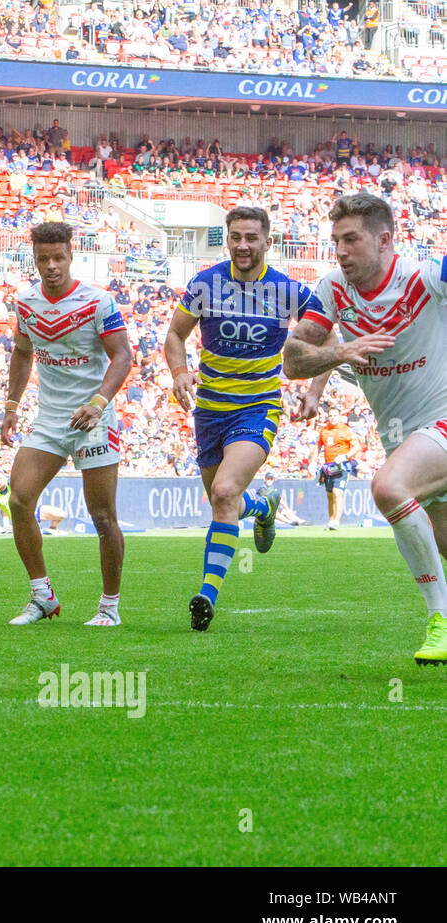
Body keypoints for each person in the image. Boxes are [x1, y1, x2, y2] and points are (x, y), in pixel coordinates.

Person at [282, 193, 447, 664]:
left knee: (389, 487)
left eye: (351, 239)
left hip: (442, 419)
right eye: (335, 241)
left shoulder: (427, 279)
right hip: (403, 434)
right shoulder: (334, 290)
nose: (340, 250)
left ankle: (440, 620)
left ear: (385, 239)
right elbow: (293, 359)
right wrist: (337, 353)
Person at [165, 206, 330, 632]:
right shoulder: (205, 284)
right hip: (209, 411)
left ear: (267, 242)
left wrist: (314, 391)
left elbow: (330, 336)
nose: (243, 245)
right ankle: (262, 506)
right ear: (228, 239)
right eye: (236, 236)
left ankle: (207, 595)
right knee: (228, 502)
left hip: (258, 408)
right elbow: (175, 335)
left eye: (252, 237)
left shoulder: (289, 292)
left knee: (222, 492)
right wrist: (180, 372)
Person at [0, 222, 133, 627]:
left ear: (72, 255)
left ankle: (109, 607)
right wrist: (11, 405)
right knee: (19, 499)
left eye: (58, 257)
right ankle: (43, 596)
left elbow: (123, 356)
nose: (52, 266)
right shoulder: (26, 303)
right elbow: (23, 354)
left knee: (103, 517)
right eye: (43, 259)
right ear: (35, 260)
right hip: (51, 419)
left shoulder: (97, 302)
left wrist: (98, 402)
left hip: (93, 418)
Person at [316, 409, 365, 530]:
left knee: (337, 492)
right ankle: (331, 520)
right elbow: (318, 446)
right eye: (330, 415)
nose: (332, 417)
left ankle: (336, 521)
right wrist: (314, 461)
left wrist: (346, 456)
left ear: (339, 416)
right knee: (329, 495)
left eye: (334, 415)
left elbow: (357, 447)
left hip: (342, 466)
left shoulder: (346, 430)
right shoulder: (324, 430)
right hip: (328, 467)